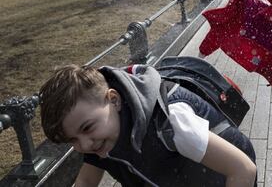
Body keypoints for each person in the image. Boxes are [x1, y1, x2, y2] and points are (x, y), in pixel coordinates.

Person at [39, 64, 257, 187]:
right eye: (72, 140)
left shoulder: (170, 123)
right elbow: (86, 181)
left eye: (86, 128)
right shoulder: (99, 136)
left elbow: (243, 170)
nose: (84, 145)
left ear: (114, 100)